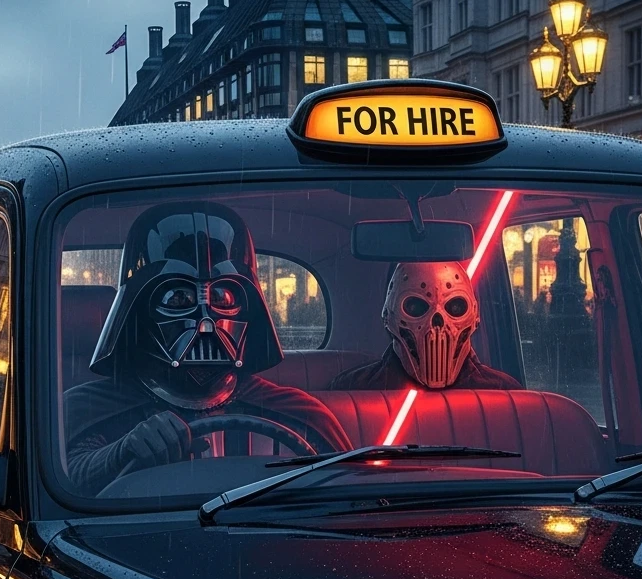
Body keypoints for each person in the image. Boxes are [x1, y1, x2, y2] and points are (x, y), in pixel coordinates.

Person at [65, 202, 351, 496]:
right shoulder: (88, 410)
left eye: (223, 296)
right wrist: (120, 453)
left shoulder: (299, 414)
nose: (205, 323)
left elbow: (347, 496)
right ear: (138, 309)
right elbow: (64, 484)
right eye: (178, 297)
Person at [328, 261, 520, 391]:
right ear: (388, 316)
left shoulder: (504, 392)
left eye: (455, 307)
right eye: (416, 307)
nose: (437, 324)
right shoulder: (503, 391)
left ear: (474, 316)